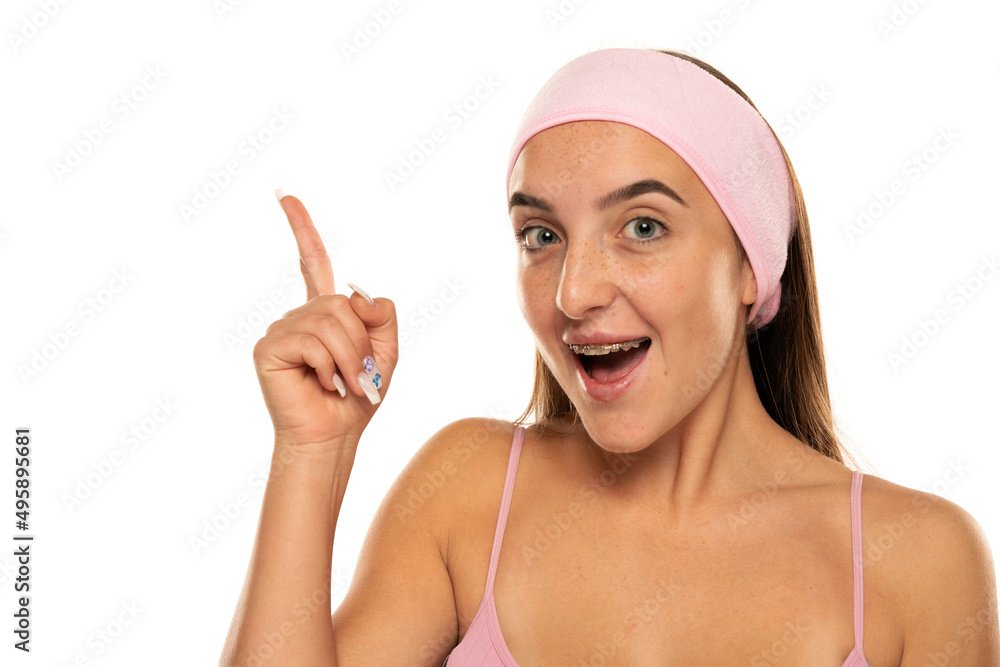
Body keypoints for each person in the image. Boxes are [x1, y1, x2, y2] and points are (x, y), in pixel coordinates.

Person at [219, 48, 999, 666]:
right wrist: (311, 451)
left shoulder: (919, 563)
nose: (574, 292)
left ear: (749, 266)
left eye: (643, 227)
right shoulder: (467, 494)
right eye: (541, 235)